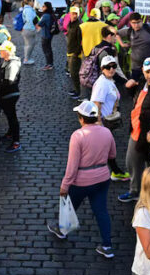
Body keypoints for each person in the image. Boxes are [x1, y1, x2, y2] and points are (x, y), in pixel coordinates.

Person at [48, 100, 116, 258]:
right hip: (102, 178)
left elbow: (72, 165)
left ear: (81, 118)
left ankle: (62, 230)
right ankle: (107, 246)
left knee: (69, 205)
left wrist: (65, 185)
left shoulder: (77, 136)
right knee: (101, 211)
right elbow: (112, 155)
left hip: (82, 181)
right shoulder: (107, 132)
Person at [119, 59, 150, 203]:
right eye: (147, 72)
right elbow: (135, 97)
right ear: (143, 71)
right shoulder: (141, 81)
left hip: (149, 133)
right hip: (136, 129)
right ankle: (135, 191)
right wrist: (128, 87)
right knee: (131, 162)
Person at [91, 55, 130, 181]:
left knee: (107, 149)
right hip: (103, 124)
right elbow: (97, 104)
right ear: (102, 68)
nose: (111, 69)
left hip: (108, 123)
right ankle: (113, 172)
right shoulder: (102, 84)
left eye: (114, 66)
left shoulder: (109, 81)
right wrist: (99, 125)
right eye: (108, 67)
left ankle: (113, 171)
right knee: (106, 150)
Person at [118, 13, 150, 81]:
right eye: (134, 23)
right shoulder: (129, 31)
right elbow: (116, 33)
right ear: (130, 23)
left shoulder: (149, 27)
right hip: (136, 67)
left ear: (142, 21)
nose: (136, 25)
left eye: (138, 22)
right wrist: (122, 44)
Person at [0, 41, 22, 153]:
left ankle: (16, 142)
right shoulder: (6, 61)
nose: (0, 52)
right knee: (9, 115)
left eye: (2, 50)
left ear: (7, 51)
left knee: (12, 117)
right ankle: (10, 133)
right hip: (6, 93)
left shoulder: (12, 64)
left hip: (10, 94)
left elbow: (10, 81)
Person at [66, 6, 84, 98]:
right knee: (72, 73)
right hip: (70, 51)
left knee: (74, 73)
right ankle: (76, 89)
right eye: (72, 13)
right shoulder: (70, 23)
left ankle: (79, 91)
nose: (74, 15)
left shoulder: (79, 25)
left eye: (76, 13)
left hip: (75, 53)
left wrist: (76, 53)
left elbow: (81, 41)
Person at [37, 3, 56, 70]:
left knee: (46, 50)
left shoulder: (45, 16)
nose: (42, 7)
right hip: (50, 34)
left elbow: (39, 24)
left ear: (47, 7)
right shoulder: (51, 14)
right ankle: (50, 63)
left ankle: (49, 64)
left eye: (43, 6)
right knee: (49, 49)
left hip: (45, 35)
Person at [20, 0, 39, 65]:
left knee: (28, 45)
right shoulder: (28, 10)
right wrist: (33, 29)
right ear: (29, 2)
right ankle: (26, 59)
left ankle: (27, 58)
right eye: (32, 1)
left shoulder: (27, 9)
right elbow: (29, 20)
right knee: (29, 45)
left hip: (27, 29)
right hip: (29, 29)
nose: (33, 2)